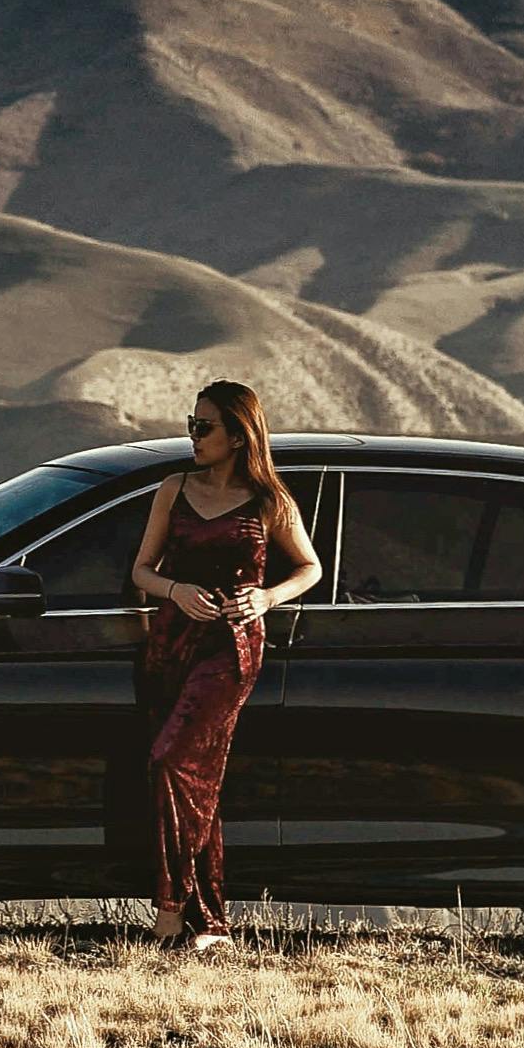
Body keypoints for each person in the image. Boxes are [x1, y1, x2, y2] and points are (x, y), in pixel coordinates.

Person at [129, 379, 321, 951]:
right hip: (172, 641)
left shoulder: (270, 503)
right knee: (197, 779)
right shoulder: (174, 488)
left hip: (231, 650)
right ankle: (209, 923)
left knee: (169, 762)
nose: (192, 435)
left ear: (238, 436)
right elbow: (141, 569)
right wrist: (175, 589)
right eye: (191, 423)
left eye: (203, 426)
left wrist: (266, 597)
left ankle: (169, 912)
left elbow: (308, 568)